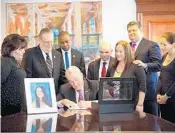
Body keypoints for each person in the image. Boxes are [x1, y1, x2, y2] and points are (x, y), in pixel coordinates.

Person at [127, 21, 162, 115]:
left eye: (134, 30)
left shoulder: (151, 45)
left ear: (140, 30)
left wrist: (144, 65)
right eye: (129, 31)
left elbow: (159, 65)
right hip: (132, 93)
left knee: (151, 125)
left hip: (148, 92)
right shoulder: (127, 46)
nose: (131, 33)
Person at [22, 28, 66, 94]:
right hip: (37, 95)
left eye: (51, 42)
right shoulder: (30, 54)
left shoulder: (58, 54)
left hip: (57, 96)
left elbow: (62, 77)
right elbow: (27, 78)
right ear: (39, 40)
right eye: (47, 42)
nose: (50, 45)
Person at [107, 41, 146, 112]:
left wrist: (140, 104)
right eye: (116, 51)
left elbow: (142, 87)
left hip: (132, 106)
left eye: (120, 52)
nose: (118, 54)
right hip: (115, 105)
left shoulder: (136, 67)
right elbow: (107, 83)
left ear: (127, 52)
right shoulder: (112, 67)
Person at [1, 34, 27, 116]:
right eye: (21, 49)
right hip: (8, 111)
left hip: (16, 110)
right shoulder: (6, 61)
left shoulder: (13, 62)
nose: (24, 51)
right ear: (11, 49)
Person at [157, 32, 175, 123]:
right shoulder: (164, 56)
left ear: (173, 45)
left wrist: (167, 96)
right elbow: (160, 77)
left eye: (164, 44)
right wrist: (158, 93)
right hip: (162, 99)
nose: (161, 47)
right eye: (161, 44)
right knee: (164, 125)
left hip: (172, 99)